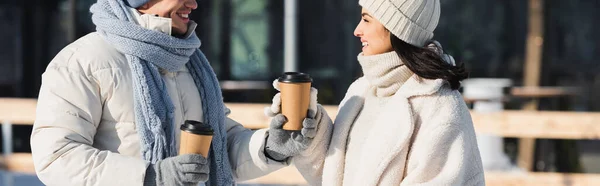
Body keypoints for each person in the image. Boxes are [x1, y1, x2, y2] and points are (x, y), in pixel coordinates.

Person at [30, 0, 324, 185]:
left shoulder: (188, 62)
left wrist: (270, 146)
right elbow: (57, 159)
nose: (194, 3)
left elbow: (218, 149)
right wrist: (149, 176)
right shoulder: (82, 61)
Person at [264, 0, 485, 185]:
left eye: (367, 19)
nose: (357, 30)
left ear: (397, 28)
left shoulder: (440, 108)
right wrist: (309, 133)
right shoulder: (361, 92)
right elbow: (332, 176)